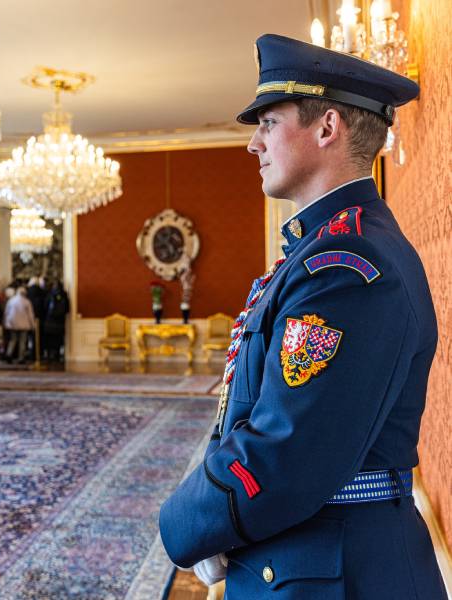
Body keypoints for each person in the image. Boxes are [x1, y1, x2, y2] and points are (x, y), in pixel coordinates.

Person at [158, 34, 446, 598]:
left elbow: (283, 453)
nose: (253, 144)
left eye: (268, 122)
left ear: (327, 128)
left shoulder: (348, 266)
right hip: (307, 555)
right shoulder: (323, 253)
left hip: (333, 570)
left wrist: (187, 524)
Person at [3, 287, 35, 363]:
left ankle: (9, 354)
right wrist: (33, 325)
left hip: (13, 324)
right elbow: (30, 314)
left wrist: (5, 323)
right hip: (24, 324)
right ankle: (21, 357)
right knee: (22, 341)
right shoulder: (26, 302)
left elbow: (6, 313)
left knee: (13, 340)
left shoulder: (11, 301)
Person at [43, 280, 70, 363]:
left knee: (49, 340)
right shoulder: (64, 295)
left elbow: (45, 307)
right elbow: (67, 309)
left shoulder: (49, 295)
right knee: (58, 340)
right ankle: (57, 355)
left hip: (49, 322)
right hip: (60, 322)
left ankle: (49, 355)